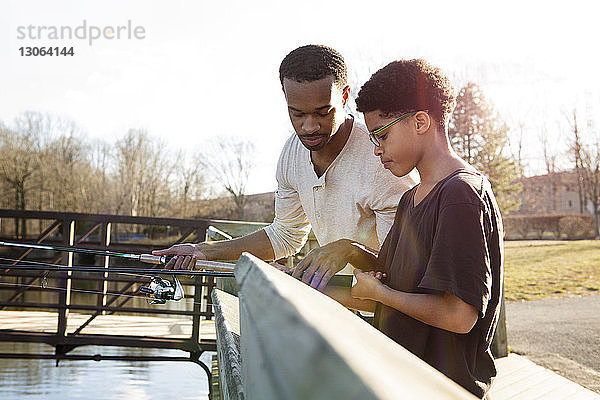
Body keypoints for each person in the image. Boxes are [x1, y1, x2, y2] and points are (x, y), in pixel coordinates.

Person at [153, 45, 416, 290]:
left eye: (323, 112)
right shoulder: (291, 154)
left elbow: (400, 270)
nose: (309, 127)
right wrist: (203, 251)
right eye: (297, 114)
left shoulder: (384, 162)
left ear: (345, 96)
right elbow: (285, 235)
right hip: (337, 307)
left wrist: (347, 249)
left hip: (385, 316)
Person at [323, 59, 503, 398]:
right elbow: (386, 292)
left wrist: (380, 294)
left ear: (421, 121)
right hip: (399, 385)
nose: (377, 149)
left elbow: (458, 315)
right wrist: (307, 282)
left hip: (442, 390)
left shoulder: (460, 195)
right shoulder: (410, 200)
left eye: (383, 135)